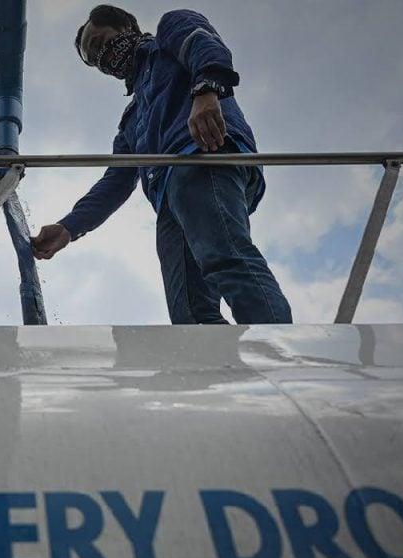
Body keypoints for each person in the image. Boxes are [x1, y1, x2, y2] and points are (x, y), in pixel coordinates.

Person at [31, 5, 292, 324]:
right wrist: (69, 227)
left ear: (126, 26)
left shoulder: (168, 36)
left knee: (226, 258)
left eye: (100, 43)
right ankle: (216, 370)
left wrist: (206, 90)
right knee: (187, 309)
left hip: (204, 153)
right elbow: (115, 181)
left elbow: (204, 43)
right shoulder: (132, 118)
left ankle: (277, 348)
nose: (103, 59)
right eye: (95, 59)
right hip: (169, 197)